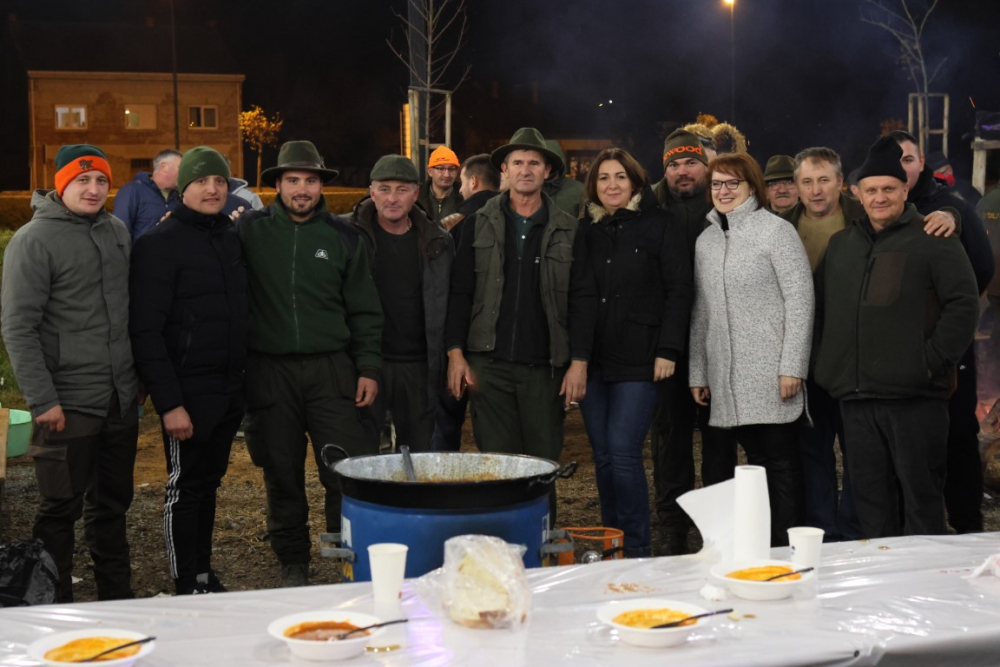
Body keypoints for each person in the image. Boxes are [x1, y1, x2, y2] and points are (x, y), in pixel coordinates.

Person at [813, 136, 979, 538]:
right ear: (857, 193)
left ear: (906, 190)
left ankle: (925, 593)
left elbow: (963, 304)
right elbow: (820, 310)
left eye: (889, 188)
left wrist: (927, 361)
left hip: (914, 398)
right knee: (871, 502)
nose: (880, 197)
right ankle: (881, 591)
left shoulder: (933, 238)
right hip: (857, 398)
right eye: (871, 190)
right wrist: (827, 365)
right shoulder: (841, 246)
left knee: (921, 501)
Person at [236, 140, 382, 587]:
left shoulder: (345, 237)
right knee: (281, 469)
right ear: (277, 184)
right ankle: (293, 559)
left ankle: (344, 549)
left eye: (311, 180)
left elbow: (365, 310)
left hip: (330, 369)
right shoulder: (248, 232)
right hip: (270, 371)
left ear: (322, 186)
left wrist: (369, 367)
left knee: (343, 467)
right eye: (293, 180)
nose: (302, 189)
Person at [1, 144, 139, 603]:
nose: (94, 189)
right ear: (62, 185)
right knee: (60, 509)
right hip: (67, 404)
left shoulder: (118, 231)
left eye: (101, 180)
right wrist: (43, 400)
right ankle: (52, 607)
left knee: (113, 507)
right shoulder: (33, 240)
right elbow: (19, 328)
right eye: (83, 180)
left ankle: (118, 601)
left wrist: (135, 386)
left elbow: (127, 315)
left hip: (119, 401)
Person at [129, 146, 247, 595]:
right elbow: (146, 331)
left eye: (220, 181)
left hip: (228, 389)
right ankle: (184, 580)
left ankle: (202, 571)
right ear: (183, 187)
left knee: (210, 484)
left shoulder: (231, 238)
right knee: (185, 488)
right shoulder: (158, 245)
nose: (213, 189)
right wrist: (169, 402)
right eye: (202, 181)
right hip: (187, 391)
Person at [445, 127, 595, 462]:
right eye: (517, 162)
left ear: (547, 171)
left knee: (542, 465)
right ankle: (502, 518)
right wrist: (455, 353)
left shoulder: (570, 229)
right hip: (488, 367)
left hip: (545, 370)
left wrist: (579, 362)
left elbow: (582, 299)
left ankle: (542, 518)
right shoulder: (476, 224)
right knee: (498, 465)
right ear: (505, 170)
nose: (525, 170)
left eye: (533, 163)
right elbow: (460, 293)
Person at [689, 152, 814, 547]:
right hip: (722, 374)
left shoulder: (776, 232)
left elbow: (800, 299)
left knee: (777, 465)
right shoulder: (705, 241)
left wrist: (792, 365)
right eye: (716, 184)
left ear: (751, 187)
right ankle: (729, 546)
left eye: (732, 184)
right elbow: (701, 309)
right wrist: (698, 370)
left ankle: (784, 547)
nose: (723, 191)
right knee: (718, 468)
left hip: (770, 374)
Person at [578, 148, 692, 557]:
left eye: (620, 177)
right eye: (604, 177)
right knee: (603, 456)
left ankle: (637, 547)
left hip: (642, 357)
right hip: (594, 360)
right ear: (594, 186)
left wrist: (668, 348)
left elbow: (680, 290)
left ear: (636, 184)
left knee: (624, 452)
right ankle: (612, 544)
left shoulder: (661, 225)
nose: (612, 185)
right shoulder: (585, 231)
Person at [890, 130, 995, 534]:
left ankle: (967, 524)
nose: (903, 167)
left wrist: (952, 317)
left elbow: (982, 267)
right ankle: (913, 527)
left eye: (909, 158)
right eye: (895, 159)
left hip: (948, 344)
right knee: (908, 438)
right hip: (898, 346)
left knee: (958, 432)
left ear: (922, 163)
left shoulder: (952, 207)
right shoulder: (879, 205)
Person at [649, 129, 738, 555]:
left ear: (707, 166)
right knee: (670, 438)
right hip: (669, 345)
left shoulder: (727, 205)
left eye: (690, 163)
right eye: (672, 164)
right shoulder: (647, 206)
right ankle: (673, 524)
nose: (682, 171)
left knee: (719, 438)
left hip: (720, 341)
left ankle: (718, 525)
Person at [351, 155, 454, 452]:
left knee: (418, 456)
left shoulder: (439, 242)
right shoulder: (349, 237)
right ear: (371, 192)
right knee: (364, 454)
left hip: (419, 366)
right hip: (367, 364)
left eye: (402, 189)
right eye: (384, 189)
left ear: (416, 193)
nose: (392, 198)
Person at [433, 154, 500, 451]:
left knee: (446, 419)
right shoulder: (514, 217)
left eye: (461, 182)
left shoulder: (452, 221)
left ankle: (442, 483)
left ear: (473, 181)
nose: (460, 190)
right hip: (498, 340)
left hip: (456, 333)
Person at [113, 148, 181, 241]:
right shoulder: (132, 191)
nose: (184, 173)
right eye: (181, 168)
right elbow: (119, 234)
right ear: (164, 167)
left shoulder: (180, 197)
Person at [418, 146, 463, 222]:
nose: (447, 174)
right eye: (441, 169)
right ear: (430, 171)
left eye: (451, 169)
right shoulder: (416, 197)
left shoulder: (465, 197)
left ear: (457, 171)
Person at [543, 139, 586, 217]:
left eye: (552, 160)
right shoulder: (528, 189)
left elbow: (587, 223)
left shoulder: (579, 190)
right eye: (542, 161)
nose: (547, 166)